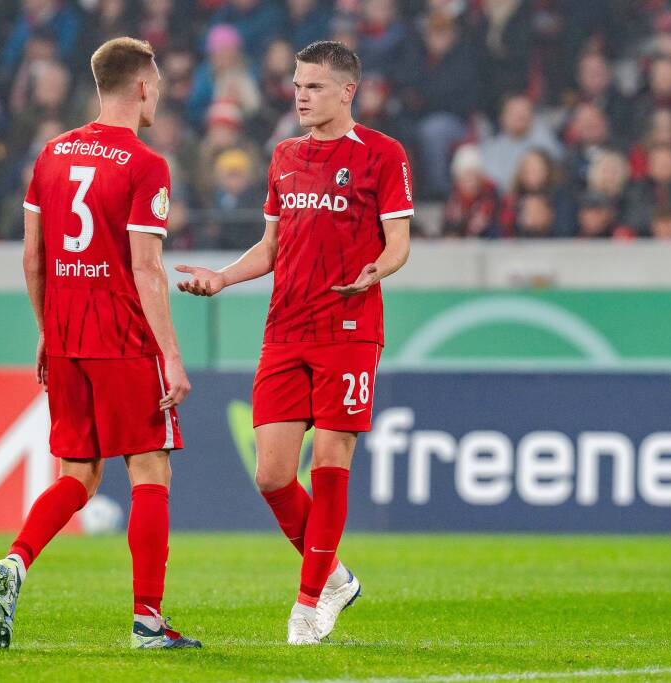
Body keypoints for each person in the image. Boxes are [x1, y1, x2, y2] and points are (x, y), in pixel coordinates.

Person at [175, 41, 412, 645]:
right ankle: (333, 575)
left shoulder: (381, 155)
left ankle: (308, 606)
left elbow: (398, 242)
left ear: (346, 91)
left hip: (349, 330)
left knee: (332, 459)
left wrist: (375, 273)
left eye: (313, 87)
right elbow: (271, 247)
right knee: (273, 476)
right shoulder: (284, 156)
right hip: (285, 329)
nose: (301, 97)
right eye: (298, 87)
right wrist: (223, 277)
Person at [0, 36, 200, 651]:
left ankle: (17, 560)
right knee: (150, 466)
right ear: (138, 86)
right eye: (155, 81)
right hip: (123, 335)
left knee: (78, 472)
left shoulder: (50, 154)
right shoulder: (145, 164)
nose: (158, 91)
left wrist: (48, 331)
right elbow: (147, 268)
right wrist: (173, 357)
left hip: (67, 335)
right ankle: (148, 622)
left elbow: (33, 256)